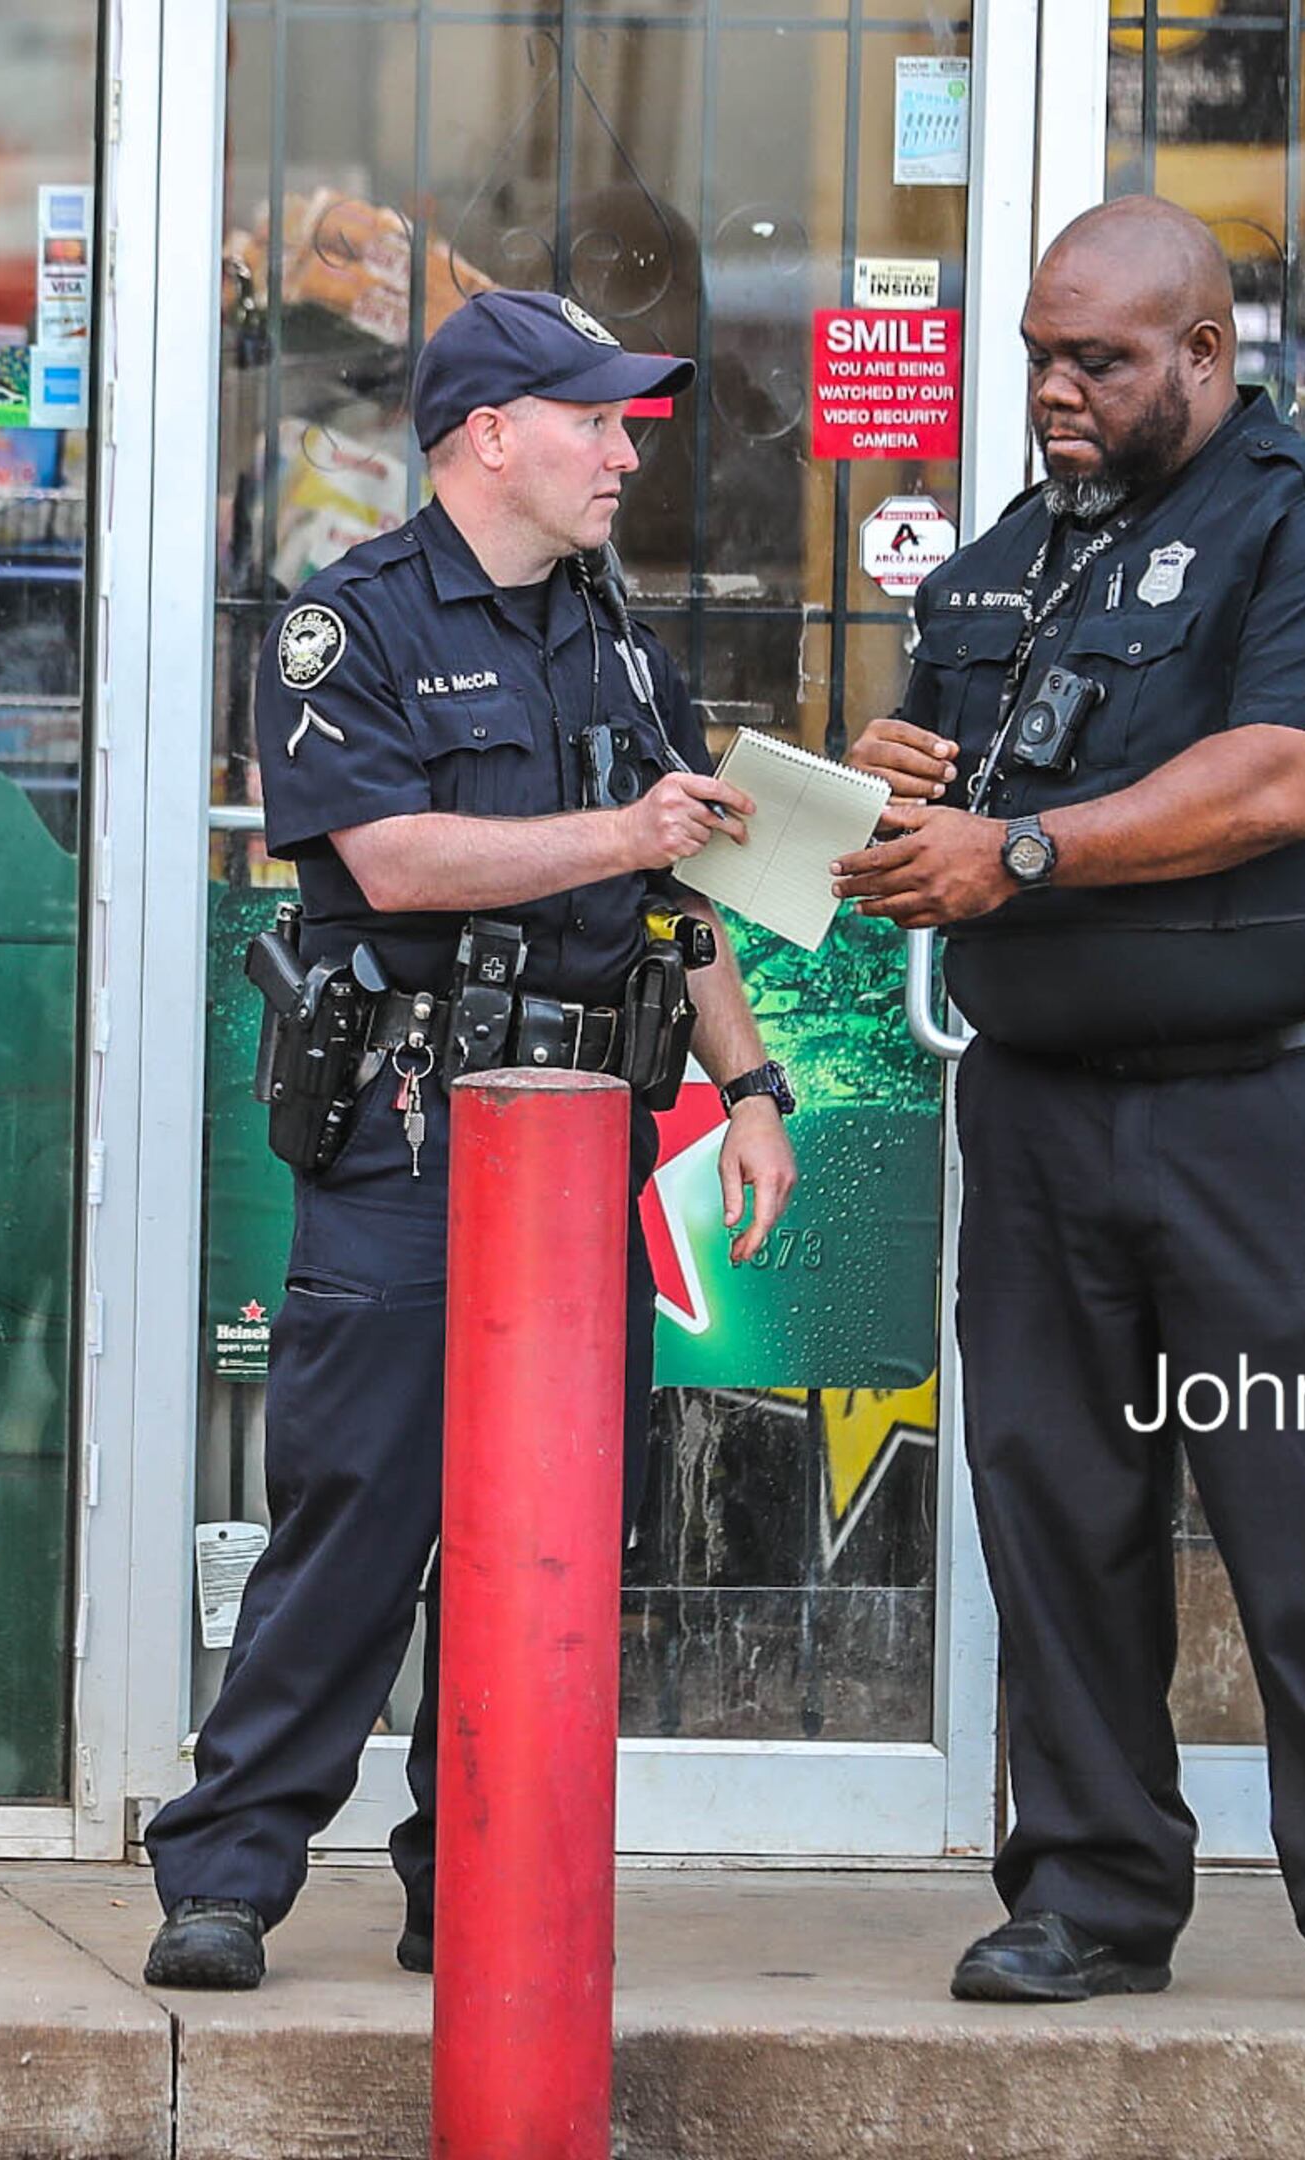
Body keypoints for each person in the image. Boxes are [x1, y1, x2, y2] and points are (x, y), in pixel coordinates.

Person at [833, 198, 1305, 2019]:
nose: (1054, 387)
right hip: (1045, 1115)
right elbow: (951, 805)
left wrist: (1024, 847)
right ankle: (1094, 1893)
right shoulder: (1003, 567)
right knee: (1058, 1505)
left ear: (1206, 354)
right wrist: (898, 780)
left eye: (1098, 359)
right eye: (1041, 353)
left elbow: (1285, 778)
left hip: (1277, 1124)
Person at [142, 289, 801, 1989]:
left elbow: (689, 888)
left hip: (584, 1146)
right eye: (593, 419)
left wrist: (749, 1090)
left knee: (547, 1534)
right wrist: (628, 827)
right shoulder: (343, 627)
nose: (623, 449)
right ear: (489, 435)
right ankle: (226, 1873)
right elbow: (391, 863)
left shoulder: (612, 634)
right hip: (417, 1143)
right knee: (358, 1517)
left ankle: (475, 1874)